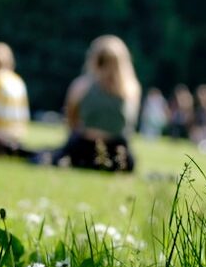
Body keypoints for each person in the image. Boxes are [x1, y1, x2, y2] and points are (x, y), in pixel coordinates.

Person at [46, 35, 141, 171]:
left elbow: (71, 122)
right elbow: (129, 127)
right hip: (118, 153)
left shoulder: (81, 86)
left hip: (83, 149)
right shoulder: (131, 89)